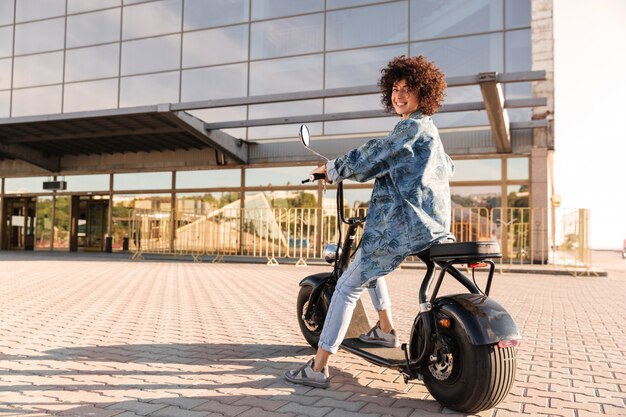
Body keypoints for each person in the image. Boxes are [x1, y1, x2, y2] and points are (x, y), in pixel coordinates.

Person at [285, 55, 455, 388]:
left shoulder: (412, 126)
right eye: (395, 88)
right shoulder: (429, 131)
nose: (399, 95)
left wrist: (332, 168)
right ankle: (386, 329)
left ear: (425, 93)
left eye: (408, 89)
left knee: (347, 286)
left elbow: (378, 152)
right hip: (430, 225)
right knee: (373, 265)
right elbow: (445, 168)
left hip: (404, 226)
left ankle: (318, 367)